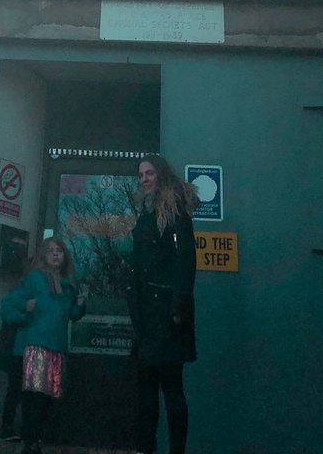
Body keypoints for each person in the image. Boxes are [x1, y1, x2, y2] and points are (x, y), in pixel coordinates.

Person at [128, 155, 199, 454]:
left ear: (161, 175)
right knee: (146, 393)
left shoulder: (174, 214)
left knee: (171, 389)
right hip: (147, 317)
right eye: (141, 174)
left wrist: (178, 308)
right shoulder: (145, 214)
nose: (144, 178)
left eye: (149, 172)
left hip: (168, 316)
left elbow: (186, 261)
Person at [1, 236, 86, 454]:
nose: (56, 254)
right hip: (36, 346)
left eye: (59, 250)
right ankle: (30, 440)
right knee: (35, 394)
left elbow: (73, 315)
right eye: (50, 251)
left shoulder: (68, 286)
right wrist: (25, 310)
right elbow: (9, 305)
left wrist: (80, 305)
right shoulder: (35, 279)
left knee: (49, 396)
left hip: (57, 348)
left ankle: (37, 438)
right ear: (43, 256)